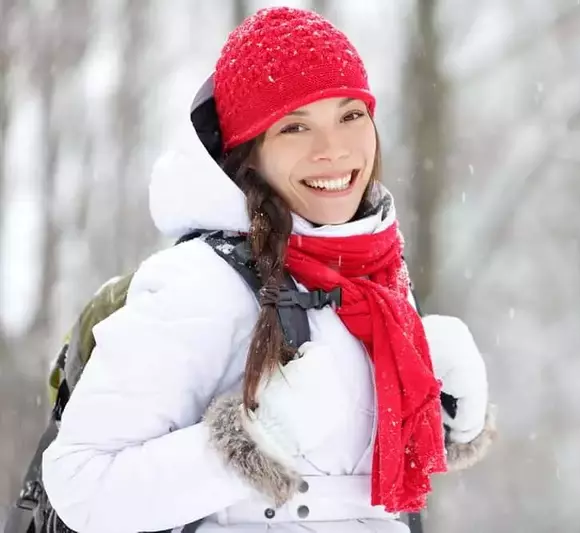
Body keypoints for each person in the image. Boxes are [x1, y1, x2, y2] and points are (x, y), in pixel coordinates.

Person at [41, 7, 495, 533]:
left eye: (350, 115)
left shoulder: (377, 279)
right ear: (249, 154)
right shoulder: (201, 284)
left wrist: (438, 414)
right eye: (295, 127)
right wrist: (257, 438)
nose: (334, 150)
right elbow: (80, 483)